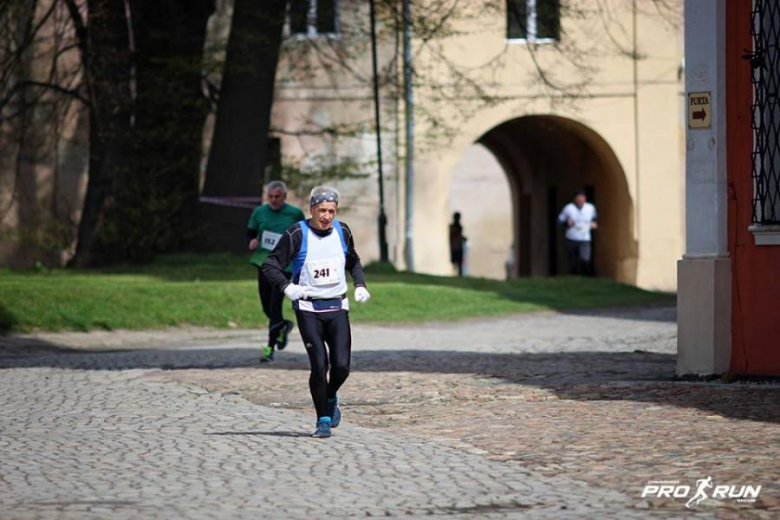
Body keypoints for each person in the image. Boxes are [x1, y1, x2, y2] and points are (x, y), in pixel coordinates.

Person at [262, 186, 370, 438]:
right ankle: (322, 419)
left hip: (337, 306)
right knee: (319, 366)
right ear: (311, 209)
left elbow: (353, 260)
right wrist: (287, 286)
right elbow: (270, 265)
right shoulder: (297, 233)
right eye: (322, 210)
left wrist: (360, 284)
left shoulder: (342, 231)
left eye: (331, 211)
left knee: (342, 366)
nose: (327, 216)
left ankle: (331, 395)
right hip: (308, 308)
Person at [246, 181, 306, 362]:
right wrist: (252, 241)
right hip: (264, 263)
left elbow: (303, 235)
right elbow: (250, 232)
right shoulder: (259, 212)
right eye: (270, 196)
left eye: (277, 197)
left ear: (285, 196)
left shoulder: (294, 214)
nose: (273, 200)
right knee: (266, 305)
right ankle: (283, 326)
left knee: (275, 304)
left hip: (285, 266)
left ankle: (270, 347)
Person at [558, 189, 598, 276]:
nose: (580, 200)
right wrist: (567, 223)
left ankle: (585, 276)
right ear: (575, 199)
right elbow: (560, 221)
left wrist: (594, 223)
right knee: (573, 259)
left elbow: (594, 218)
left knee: (585, 258)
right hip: (571, 237)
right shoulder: (568, 208)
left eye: (582, 197)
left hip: (585, 237)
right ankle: (574, 276)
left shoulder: (590, 208)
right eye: (578, 198)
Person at [449, 212, 467, 277]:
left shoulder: (459, 227)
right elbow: (453, 236)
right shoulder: (453, 227)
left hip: (458, 247)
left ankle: (459, 275)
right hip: (455, 247)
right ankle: (455, 274)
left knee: (459, 263)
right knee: (455, 263)